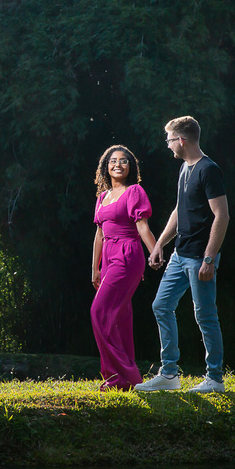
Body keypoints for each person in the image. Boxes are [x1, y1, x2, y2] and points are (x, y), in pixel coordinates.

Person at [136, 116, 230, 394]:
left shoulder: (209, 170)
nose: (167, 145)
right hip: (179, 254)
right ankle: (169, 374)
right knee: (161, 306)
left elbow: (222, 216)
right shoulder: (184, 169)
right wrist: (159, 244)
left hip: (200, 257)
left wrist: (209, 258)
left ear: (181, 140)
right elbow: (180, 211)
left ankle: (215, 379)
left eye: (169, 140)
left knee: (205, 316)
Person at [91, 145, 159, 390]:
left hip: (127, 254)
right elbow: (99, 235)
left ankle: (121, 375)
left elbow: (142, 227)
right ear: (105, 166)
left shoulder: (134, 191)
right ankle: (123, 379)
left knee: (99, 311)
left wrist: (155, 251)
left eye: (123, 161)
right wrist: (95, 268)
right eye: (113, 160)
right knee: (119, 317)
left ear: (131, 167)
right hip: (108, 257)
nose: (118, 164)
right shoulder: (102, 197)